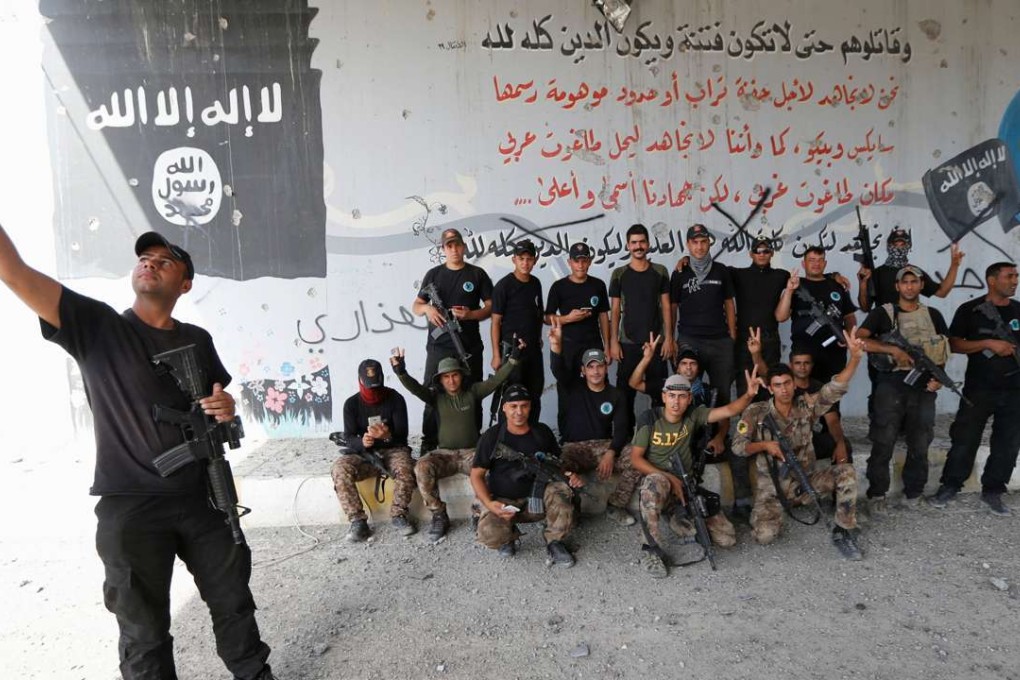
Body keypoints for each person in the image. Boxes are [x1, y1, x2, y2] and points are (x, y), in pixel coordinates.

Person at [0, 227, 277, 679]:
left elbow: (214, 407)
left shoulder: (198, 339)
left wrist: (225, 409)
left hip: (203, 498)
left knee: (234, 605)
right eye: (144, 258)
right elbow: (12, 272)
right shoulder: (96, 327)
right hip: (131, 506)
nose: (149, 263)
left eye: (164, 260)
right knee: (143, 632)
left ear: (185, 283)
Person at [731, 330, 866, 554]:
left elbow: (834, 389)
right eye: (777, 385)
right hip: (773, 490)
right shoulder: (756, 412)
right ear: (770, 388)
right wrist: (765, 446)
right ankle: (765, 513)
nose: (783, 389)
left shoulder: (806, 405)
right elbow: (737, 446)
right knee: (764, 536)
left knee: (846, 473)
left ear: (794, 384)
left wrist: (855, 358)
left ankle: (844, 528)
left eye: (787, 383)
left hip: (805, 482)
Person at [630, 369, 762, 578]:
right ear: (664, 397)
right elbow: (636, 459)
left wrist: (749, 395)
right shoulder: (650, 418)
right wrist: (669, 478)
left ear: (689, 398)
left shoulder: (693, 414)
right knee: (654, 485)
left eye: (682, 396)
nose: (676, 402)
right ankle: (651, 551)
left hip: (685, 484)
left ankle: (673, 515)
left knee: (727, 539)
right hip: (658, 479)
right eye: (671, 396)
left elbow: (728, 410)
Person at [390, 342, 521, 542]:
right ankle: (439, 515)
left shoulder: (473, 393)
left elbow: (495, 381)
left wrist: (512, 359)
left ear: (461, 376)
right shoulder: (436, 397)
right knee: (422, 468)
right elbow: (415, 388)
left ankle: (479, 514)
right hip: (444, 454)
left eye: (455, 375)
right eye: (446, 377)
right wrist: (400, 371)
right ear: (441, 380)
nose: (451, 380)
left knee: (491, 470)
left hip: (471, 453)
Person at [930, 262, 1020, 517]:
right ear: (992, 280)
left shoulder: (1018, 310)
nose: (1015, 281)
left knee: (1008, 443)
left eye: (1016, 276)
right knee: (965, 438)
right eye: (1009, 276)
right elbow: (955, 344)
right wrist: (988, 343)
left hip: (1015, 389)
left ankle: (993, 490)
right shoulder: (970, 310)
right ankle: (950, 485)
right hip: (980, 387)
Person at [857, 266, 950, 512]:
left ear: (921, 285)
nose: (909, 286)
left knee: (920, 442)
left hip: (924, 386)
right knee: (884, 440)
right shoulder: (883, 313)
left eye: (914, 282)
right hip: (891, 384)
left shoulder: (934, 314)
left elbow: (942, 350)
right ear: (897, 287)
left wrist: (939, 378)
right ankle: (877, 495)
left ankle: (914, 493)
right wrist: (892, 350)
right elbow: (860, 340)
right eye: (905, 282)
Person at [470, 384, 585, 566]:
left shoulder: (542, 432)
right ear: (504, 408)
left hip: (536, 499)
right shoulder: (492, 437)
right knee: (490, 535)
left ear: (530, 407)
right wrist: (490, 504)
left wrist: (570, 475)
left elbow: (556, 464)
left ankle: (555, 542)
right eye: (513, 406)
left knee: (562, 490)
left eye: (524, 406)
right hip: (503, 502)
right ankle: (508, 537)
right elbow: (476, 474)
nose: (519, 412)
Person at [548, 317, 640, 526]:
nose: (595, 371)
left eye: (599, 366)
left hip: (603, 445)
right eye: (590, 367)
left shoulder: (615, 395)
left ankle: (615, 505)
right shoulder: (572, 387)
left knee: (636, 458)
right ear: (583, 370)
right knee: (556, 467)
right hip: (574, 447)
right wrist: (556, 346)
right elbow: (558, 369)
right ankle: (572, 508)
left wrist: (611, 452)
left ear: (606, 368)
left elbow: (623, 429)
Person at [412, 227, 493, 450]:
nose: (454, 249)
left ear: (464, 247)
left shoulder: (477, 274)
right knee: (431, 394)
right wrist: (428, 309)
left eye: (457, 245)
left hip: (469, 346)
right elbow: (416, 306)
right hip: (439, 347)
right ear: (443, 249)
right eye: (449, 246)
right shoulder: (433, 275)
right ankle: (429, 443)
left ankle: (474, 441)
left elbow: (491, 307)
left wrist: (470, 315)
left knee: (474, 392)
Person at [331, 359, 417, 542]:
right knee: (340, 469)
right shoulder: (351, 404)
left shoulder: (395, 399)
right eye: (369, 386)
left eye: (376, 385)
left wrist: (386, 436)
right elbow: (349, 437)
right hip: (364, 455)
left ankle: (398, 514)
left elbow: (402, 437)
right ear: (360, 381)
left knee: (406, 469)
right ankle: (357, 521)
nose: (373, 390)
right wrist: (363, 442)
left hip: (394, 450)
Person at [609, 224, 674, 432]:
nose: (638, 246)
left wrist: (669, 339)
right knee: (624, 396)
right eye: (634, 242)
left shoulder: (660, 272)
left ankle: (657, 439)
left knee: (659, 395)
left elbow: (666, 307)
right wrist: (612, 341)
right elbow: (616, 310)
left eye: (642, 242)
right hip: (627, 344)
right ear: (628, 245)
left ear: (648, 244)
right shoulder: (619, 274)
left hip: (656, 345)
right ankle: (625, 441)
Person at [545, 241, 611, 434]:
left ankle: (601, 434)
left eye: (584, 260)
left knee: (597, 390)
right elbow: (546, 317)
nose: (580, 265)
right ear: (570, 262)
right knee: (567, 392)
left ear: (589, 262)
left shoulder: (598, 285)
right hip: (568, 349)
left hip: (593, 346)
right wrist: (567, 318)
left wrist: (607, 346)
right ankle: (566, 438)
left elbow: (604, 317)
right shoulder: (559, 287)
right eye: (576, 261)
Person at [776, 246, 858, 382]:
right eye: (812, 260)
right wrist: (789, 291)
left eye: (820, 260)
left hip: (834, 353)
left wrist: (849, 335)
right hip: (803, 353)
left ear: (825, 264)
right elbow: (781, 316)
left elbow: (849, 316)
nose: (816, 264)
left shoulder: (837, 285)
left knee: (832, 396)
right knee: (802, 397)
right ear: (803, 263)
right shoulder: (796, 285)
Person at [490, 239, 545, 420]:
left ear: (535, 260)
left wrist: (538, 337)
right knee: (511, 397)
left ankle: (533, 437)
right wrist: (497, 355)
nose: (525, 263)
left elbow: (537, 314)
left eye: (529, 259)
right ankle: (506, 439)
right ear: (514, 260)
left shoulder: (536, 283)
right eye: (521, 258)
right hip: (512, 354)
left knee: (534, 395)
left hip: (533, 353)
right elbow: (496, 322)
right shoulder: (503, 286)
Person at [730, 235, 791, 393]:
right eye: (757, 251)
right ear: (751, 254)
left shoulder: (781, 275)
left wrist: (833, 276)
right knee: (745, 387)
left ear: (772, 253)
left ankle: (767, 419)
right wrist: (686, 259)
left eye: (766, 251)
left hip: (769, 339)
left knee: (770, 385)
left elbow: (808, 281)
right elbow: (712, 269)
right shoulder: (738, 274)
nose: (761, 254)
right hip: (745, 339)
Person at [857, 228, 964, 311]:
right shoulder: (877, 273)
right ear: (889, 246)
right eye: (895, 244)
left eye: (902, 244)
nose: (898, 248)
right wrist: (863, 283)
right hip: (884, 328)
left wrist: (954, 265)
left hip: (911, 326)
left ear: (908, 246)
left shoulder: (915, 272)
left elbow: (942, 292)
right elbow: (865, 307)